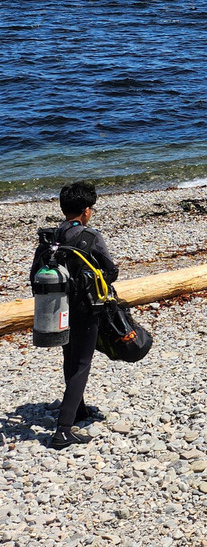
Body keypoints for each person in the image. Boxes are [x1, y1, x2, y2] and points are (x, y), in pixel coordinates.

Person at [31, 181, 117, 449]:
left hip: (56, 306)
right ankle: (63, 430)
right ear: (86, 210)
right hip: (85, 308)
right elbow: (111, 271)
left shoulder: (51, 237)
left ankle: (77, 408)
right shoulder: (90, 237)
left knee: (70, 357)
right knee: (82, 364)